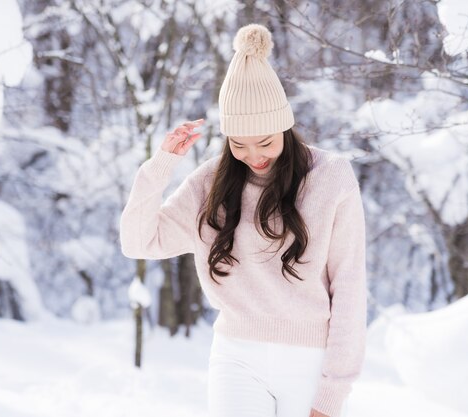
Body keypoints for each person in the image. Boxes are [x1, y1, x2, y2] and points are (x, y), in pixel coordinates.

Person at [120, 23, 366, 417]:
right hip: (236, 357)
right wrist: (162, 164)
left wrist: (332, 392)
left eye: (265, 141)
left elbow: (350, 285)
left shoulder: (330, 176)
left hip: (309, 364)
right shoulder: (209, 184)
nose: (254, 156)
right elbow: (138, 242)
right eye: (239, 144)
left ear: (285, 125)